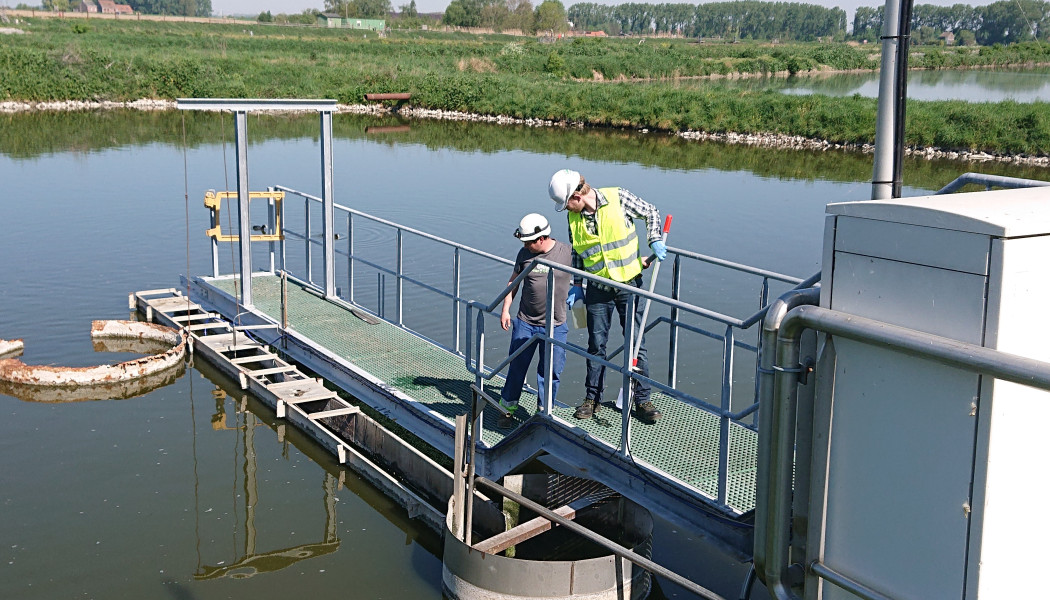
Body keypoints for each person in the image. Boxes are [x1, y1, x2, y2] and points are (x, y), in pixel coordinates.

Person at [548, 169, 666, 424]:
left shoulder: (618, 197)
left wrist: (654, 239)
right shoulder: (573, 218)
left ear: (577, 195)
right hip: (597, 289)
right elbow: (578, 253)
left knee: (636, 344)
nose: (566, 208)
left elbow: (651, 212)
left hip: (629, 285)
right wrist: (577, 284)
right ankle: (592, 400)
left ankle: (643, 400)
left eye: (566, 202)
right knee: (595, 345)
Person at [496, 213, 578, 430]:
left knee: (550, 371)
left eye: (528, 242)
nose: (525, 245)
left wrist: (579, 290)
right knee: (516, 367)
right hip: (525, 322)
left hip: (556, 324)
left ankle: (544, 413)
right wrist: (506, 310)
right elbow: (513, 283)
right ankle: (507, 409)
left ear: (541, 238)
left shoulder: (566, 252)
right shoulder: (524, 254)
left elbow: (588, 268)